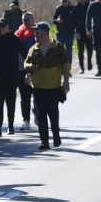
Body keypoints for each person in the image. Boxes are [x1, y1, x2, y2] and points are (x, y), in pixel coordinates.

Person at [23, 22, 70, 150]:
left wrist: (66, 82)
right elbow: (26, 63)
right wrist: (29, 68)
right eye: (34, 32)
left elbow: (65, 65)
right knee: (41, 116)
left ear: (45, 33)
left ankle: (56, 136)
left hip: (53, 88)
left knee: (53, 115)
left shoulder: (58, 47)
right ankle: (44, 142)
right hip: (38, 89)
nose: (35, 34)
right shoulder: (34, 49)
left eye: (37, 32)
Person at [0, 18, 27, 137]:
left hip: (12, 75)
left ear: (8, 26)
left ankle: (10, 125)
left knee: (11, 101)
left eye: (3, 26)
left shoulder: (15, 40)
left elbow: (25, 54)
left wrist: (28, 70)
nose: (1, 28)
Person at [15, 11, 37, 130]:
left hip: (36, 69)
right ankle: (26, 120)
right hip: (22, 68)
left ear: (32, 20)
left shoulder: (38, 32)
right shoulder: (18, 34)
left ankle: (37, 113)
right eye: (24, 20)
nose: (26, 22)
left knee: (38, 94)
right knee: (24, 96)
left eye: (28, 19)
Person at [52, 0, 76, 65]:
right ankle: (61, 67)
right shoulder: (59, 9)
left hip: (70, 33)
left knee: (69, 51)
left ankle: (68, 68)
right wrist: (57, 21)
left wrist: (76, 30)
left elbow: (76, 20)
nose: (63, 3)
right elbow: (53, 20)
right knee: (60, 51)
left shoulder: (72, 8)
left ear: (68, 1)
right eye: (62, 2)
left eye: (65, 1)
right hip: (60, 33)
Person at [73, 0, 93, 73]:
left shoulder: (90, 6)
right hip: (79, 32)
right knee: (80, 50)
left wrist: (91, 29)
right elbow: (73, 21)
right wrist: (75, 32)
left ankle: (89, 62)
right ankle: (81, 67)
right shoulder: (75, 8)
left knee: (90, 49)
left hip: (88, 31)